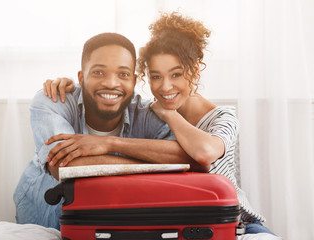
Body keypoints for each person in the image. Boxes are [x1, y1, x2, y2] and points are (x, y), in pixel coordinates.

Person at [45, 12, 280, 238]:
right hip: (180, 220)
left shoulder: (223, 117)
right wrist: (68, 84)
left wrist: (168, 115)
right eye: (156, 76)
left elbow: (205, 154)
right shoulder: (149, 113)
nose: (166, 87)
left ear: (195, 70)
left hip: (237, 222)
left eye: (176, 75)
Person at [14, 32, 207, 230]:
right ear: (81, 77)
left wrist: (109, 144)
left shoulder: (149, 113)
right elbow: (64, 166)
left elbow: (191, 160)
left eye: (123, 74)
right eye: (98, 72)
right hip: (45, 221)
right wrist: (152, 165)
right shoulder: (52, 99)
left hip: (114, 223)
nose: (111, 83)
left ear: (133, 81)